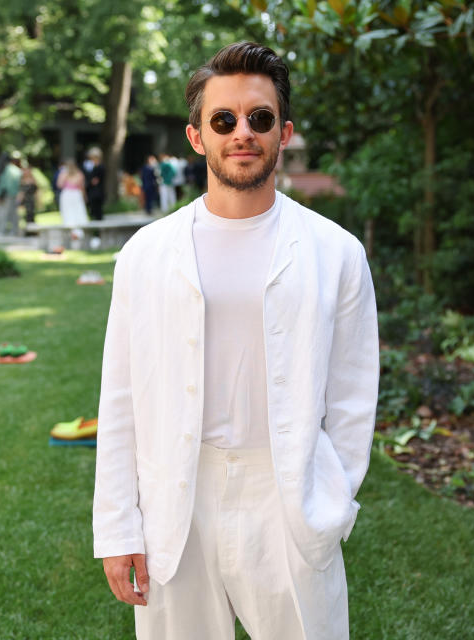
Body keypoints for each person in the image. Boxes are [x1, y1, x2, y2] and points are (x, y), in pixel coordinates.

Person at [93, 42, 380, 640]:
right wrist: (120, 529)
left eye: (260, 118)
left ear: (284, 133)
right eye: (223, 119)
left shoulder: (336, 253)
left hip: (287, 493)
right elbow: (121, 397)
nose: (242, 133)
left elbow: (354, 396)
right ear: (197, 136)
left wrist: (331, 497)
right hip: (177, 493)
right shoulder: (145, 254)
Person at [56, 159, 89, 242]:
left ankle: (74, 233)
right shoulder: (79, 174)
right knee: (76, 212)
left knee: (70, 213)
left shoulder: (64, 174)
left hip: (67, 194)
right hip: (76, 194)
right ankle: (76, 233)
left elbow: (59, 185)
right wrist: (85, 197)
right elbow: (82, 187)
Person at [0, 153, 23, 236]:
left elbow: (3, 183)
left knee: (2, 213)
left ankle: (0, 232)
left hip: (5, 194)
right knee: (13, 214)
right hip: (14, 195)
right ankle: (14, 232)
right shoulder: (18, 170)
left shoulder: (6, 169)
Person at [84, 147, 106, 222]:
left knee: (98, 212)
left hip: (97, 193)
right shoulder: (93, 166)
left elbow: (94, 181)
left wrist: (87, 183)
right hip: (93, 192)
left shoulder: (99, 167)